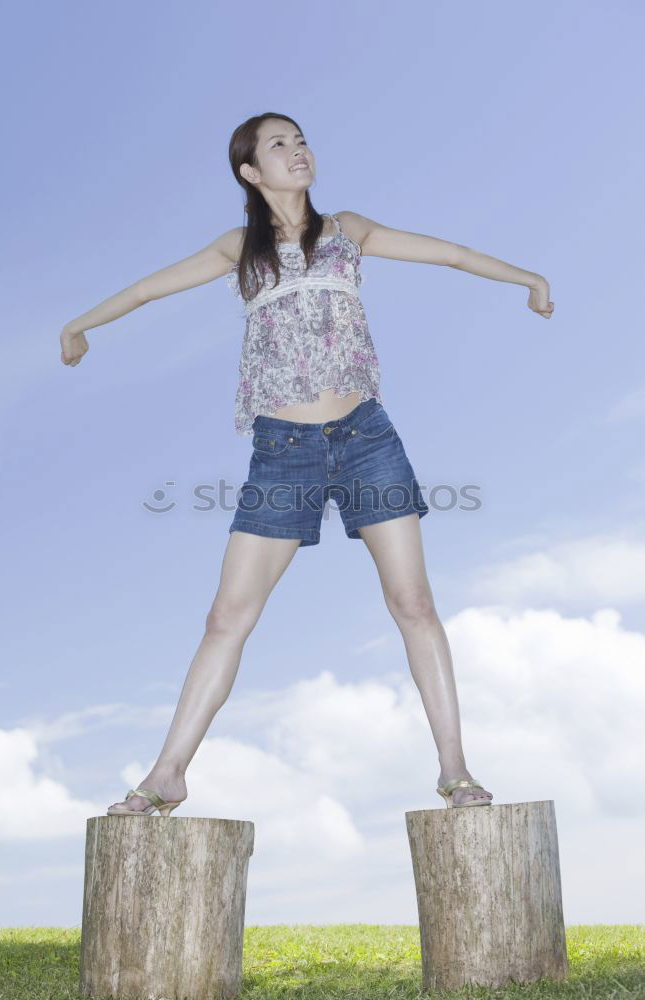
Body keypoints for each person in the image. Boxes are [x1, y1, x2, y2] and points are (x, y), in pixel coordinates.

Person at [60, 112, 553, 815]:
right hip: (281, 452)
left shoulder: (349, 231)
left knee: (413, 603)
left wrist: (526, 277)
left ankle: (455, 770)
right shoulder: (239, 248)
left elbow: (450, 253)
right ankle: (167, 773)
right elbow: (145, 290)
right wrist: (78, 325)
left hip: (366, 439)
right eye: (279, 145)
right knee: (227, 616)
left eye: (301, 139)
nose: (299, 150)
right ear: (250, 173)